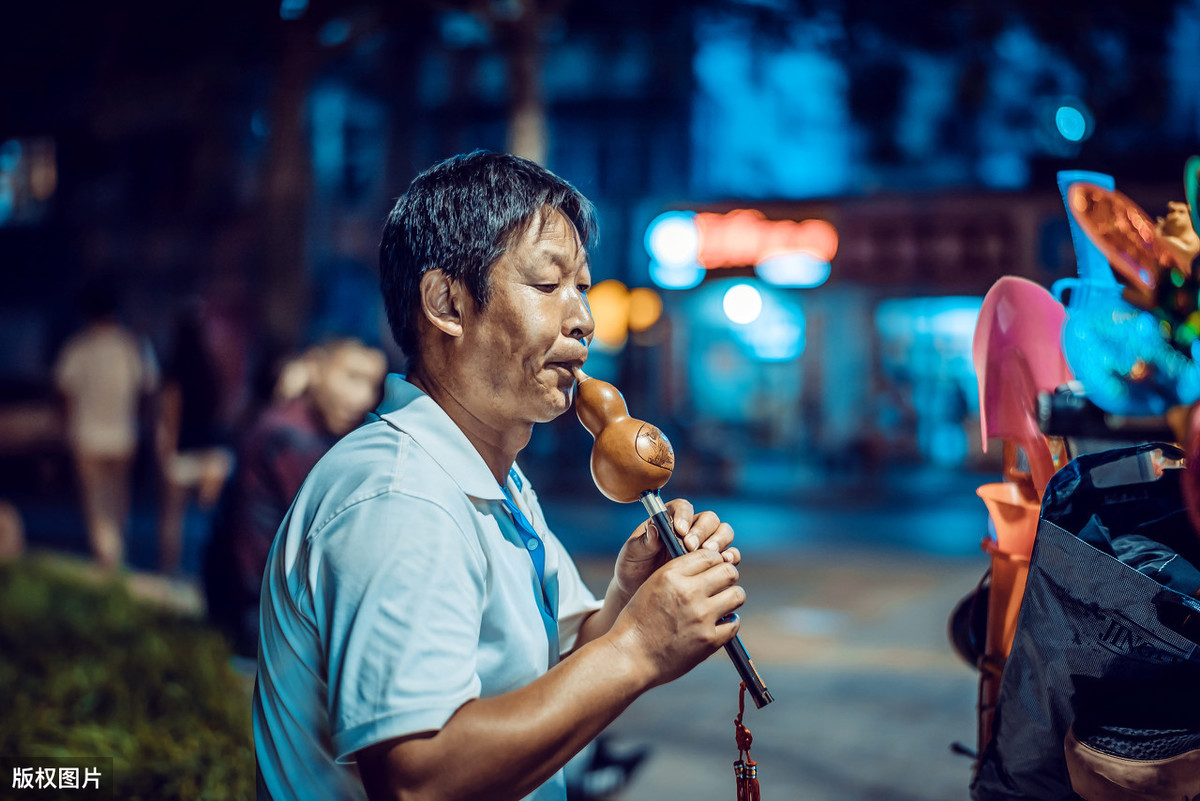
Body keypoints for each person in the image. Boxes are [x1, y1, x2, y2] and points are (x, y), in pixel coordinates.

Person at [253, 151, 745, 801]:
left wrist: (632, 595)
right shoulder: (401, 497)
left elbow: (554, 674)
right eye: (547, 286)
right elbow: (420, 778)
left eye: (583, 289)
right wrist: (637, 650)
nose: (582, 320)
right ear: (447, 303)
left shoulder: (495, 482)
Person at [203, 337, 387, 659]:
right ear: (315, 367)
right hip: (271, 629)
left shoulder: (296, 423)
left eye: (372, 384)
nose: (362, 397)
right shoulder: (293, 439)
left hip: (264, 616)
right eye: (352, 377)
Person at [54, 280, 158, 569]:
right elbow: (148, 391)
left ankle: (108, 562)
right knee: (119, 503)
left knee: (96, 507)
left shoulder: (78, 348)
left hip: (86, 437)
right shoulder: (132, 346)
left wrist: (65, 429)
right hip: (124, 435)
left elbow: (64, 392)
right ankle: (115, 559)